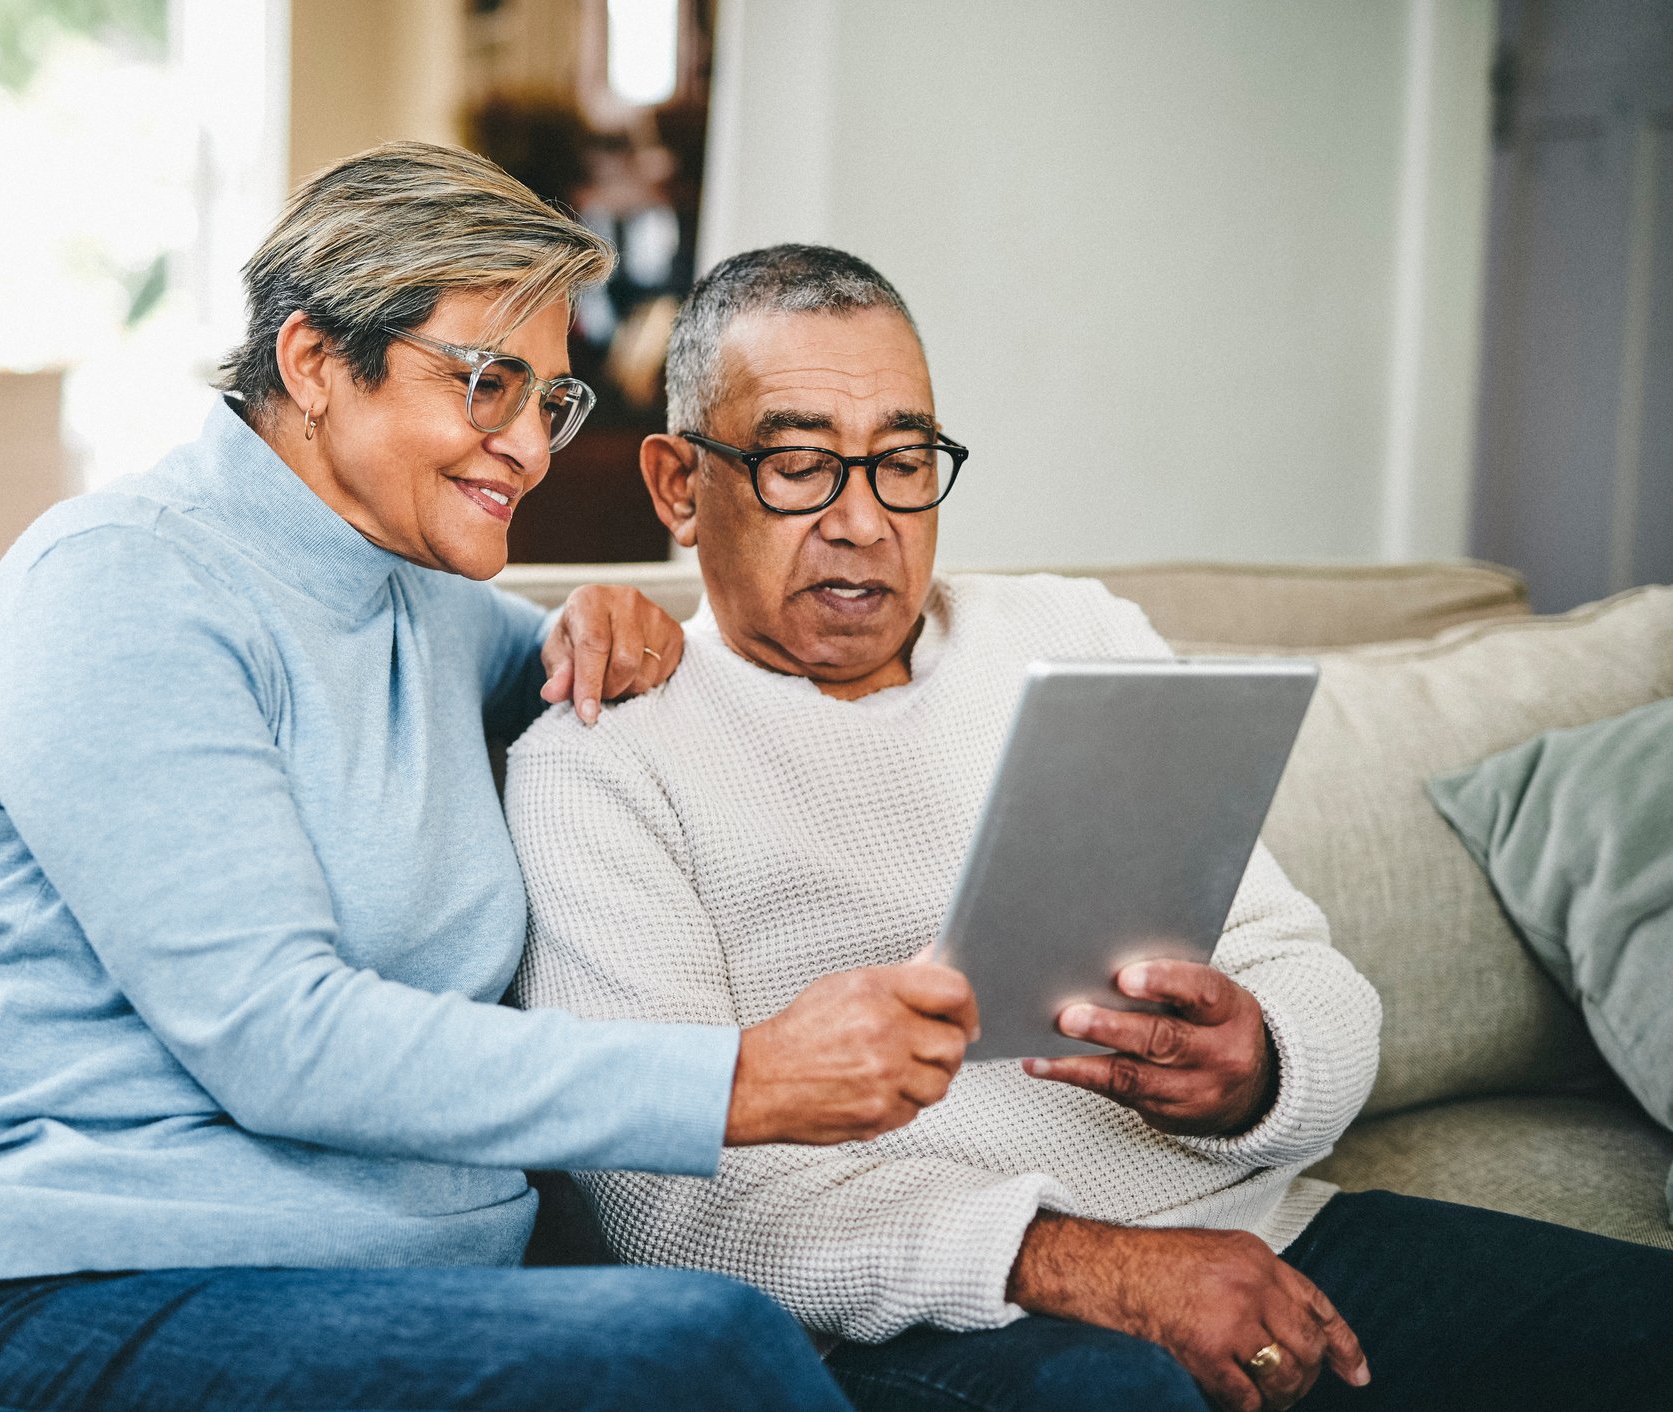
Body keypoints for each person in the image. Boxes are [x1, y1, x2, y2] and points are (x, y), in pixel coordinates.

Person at [0, 150, 982, 1412]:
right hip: (17, 1300)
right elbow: (278, 1038)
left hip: (368, 1295)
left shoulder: (432, 605)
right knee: (701, 1346)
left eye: (550, 401)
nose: (525, 447)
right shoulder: (120, 583)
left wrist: (607, 622)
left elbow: (607, 687)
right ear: (310, 362)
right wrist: (739, 1078)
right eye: (485, 385)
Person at [508, 242, 1673, 1412]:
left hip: (1259, 1237)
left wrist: (1256, 1067)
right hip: (938, 1313)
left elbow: (1311, 976)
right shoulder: (605, 751)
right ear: (675, 484)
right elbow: (671, 1203)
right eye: (802, 465)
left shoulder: (1073, 633)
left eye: (904, 462)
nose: (862, 520)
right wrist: (1102, 1267)